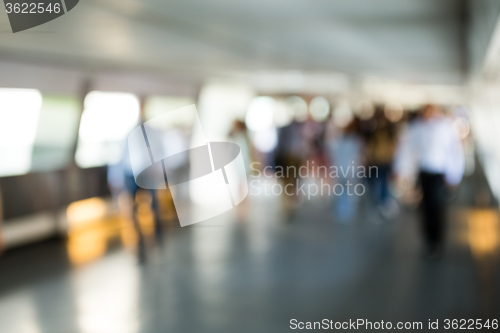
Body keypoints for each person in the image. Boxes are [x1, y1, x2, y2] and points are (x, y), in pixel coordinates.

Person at [393, 104, 464, 257]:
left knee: (437, 206)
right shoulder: (417, 128)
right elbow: (408, 150)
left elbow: (454, 152)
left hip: (439, 174)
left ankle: (436, 240)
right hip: (423, 172)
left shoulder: (446, 127)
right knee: (425, 207)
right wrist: (403, 171)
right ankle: (429, 239)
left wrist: (453, 175)